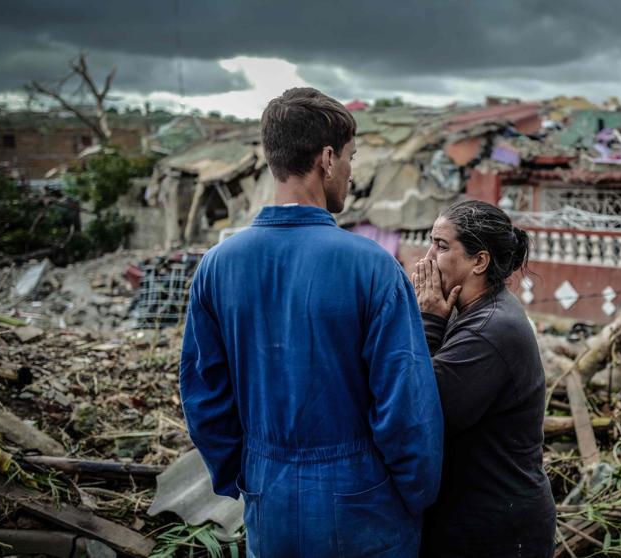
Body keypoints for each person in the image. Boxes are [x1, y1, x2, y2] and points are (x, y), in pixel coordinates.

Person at [180, 88, 443, 557]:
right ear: (326, 158)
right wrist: (417, 495)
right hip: (364, 502)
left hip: (268, 498)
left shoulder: (217, 267)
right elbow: (406, 408)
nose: (350, 172)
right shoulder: (373, 267)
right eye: (349, 157)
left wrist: (246, 476)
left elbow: (203, 398)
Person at [412, 200, 556, 557]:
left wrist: (428, 323)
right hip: (480, 519)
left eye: (442, 246)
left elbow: (423, 413)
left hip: (498, 531)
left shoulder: (489, 330)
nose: (427, 257)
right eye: (431, 242)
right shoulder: (472, 313)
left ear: (479, 261)